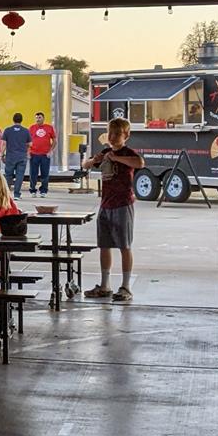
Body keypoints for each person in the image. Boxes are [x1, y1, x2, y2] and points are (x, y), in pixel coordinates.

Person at [82, 118, 144, 302]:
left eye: (117, 134)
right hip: (105, 203)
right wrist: (96, 159)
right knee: (104, 245)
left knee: (124, 245)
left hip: (123, 204)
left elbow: (140, 163)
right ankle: (104, 284)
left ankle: (125, 286)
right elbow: (85, 165)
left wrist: (116, 158)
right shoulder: (105, 151)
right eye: (110, 133)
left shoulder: (127, 153)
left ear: (126, 136)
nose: (113, 137)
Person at [1, 113, 32, 198]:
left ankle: (7, 194)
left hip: (10, 156)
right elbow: (30, 144)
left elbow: (4, 144)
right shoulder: (26, 131)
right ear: (21, 120)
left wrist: (1, 154)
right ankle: (16, 194)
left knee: (8, 176)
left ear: (13, 120)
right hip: (22, 156)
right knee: (20, 176)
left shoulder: (7, 130)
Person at [28, 112, 57, 197]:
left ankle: (43, 191)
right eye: (36, 118)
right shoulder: (32, 128)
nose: (38, 119)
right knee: (33, 174)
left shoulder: (49, 128)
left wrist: (50, 151)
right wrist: (28, 152)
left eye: (39, 117)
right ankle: (33, 190)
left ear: (43, 118)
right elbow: (28, 141)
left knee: (45, 174)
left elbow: (55, 140)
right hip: (33, 154)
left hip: (45, 155)